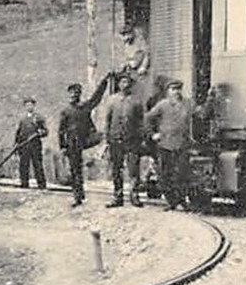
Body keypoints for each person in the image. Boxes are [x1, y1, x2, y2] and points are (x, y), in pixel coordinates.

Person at [57, 76, 109, 207]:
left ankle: (79, 193)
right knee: (75, 170)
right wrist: (62, 146)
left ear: (79, 94)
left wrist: (104, 82)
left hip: (85, 140)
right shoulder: (66, 111)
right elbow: (61, 130)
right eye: (71, 93)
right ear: (69, 94)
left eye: (76, 92)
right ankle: (78, 196)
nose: (74, 95)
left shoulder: (85, 107)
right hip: (72, 143)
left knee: (103, 136)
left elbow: (96, 98)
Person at [145, 78, 194, 210]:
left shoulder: (188, 103)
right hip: (165, 144)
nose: (176, 92)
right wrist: (152, 134)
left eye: (178, 89)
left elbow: (201, 114)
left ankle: (182, 200)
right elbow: (147, 118)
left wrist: (211, 100)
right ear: (168, 91)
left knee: (182, 174)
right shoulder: (162, 105)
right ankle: (171, 201)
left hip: (182, 144)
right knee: (165, 174)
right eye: (173, 89)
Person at [102, 71, 146, 207]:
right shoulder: (112, 100)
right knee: (117, 169)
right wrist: (107, 139)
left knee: (133, 169)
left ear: (131, 85)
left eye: (127, 82)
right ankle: (117, 196)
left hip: (132, 140)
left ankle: (134, 196)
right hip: (116, 139)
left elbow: (141, 122)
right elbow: (107, 121)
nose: (125, 85)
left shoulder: (136, 101)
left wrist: (141, 138)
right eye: (122, 82)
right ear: (118, 84)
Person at [13, 96, 49, 189]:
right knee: (24, 165)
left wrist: (40, 133)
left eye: (30, 105)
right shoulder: (23, 119)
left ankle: (41, 185)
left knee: (37, 165)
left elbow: (45, 131)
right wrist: (16, 143)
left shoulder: (38, 118)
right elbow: (18, 132)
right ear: (25, 107)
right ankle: (24, 184)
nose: (29, 107)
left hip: (35, 145)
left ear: (34, 106)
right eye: (27, 105)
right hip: (24, 145)